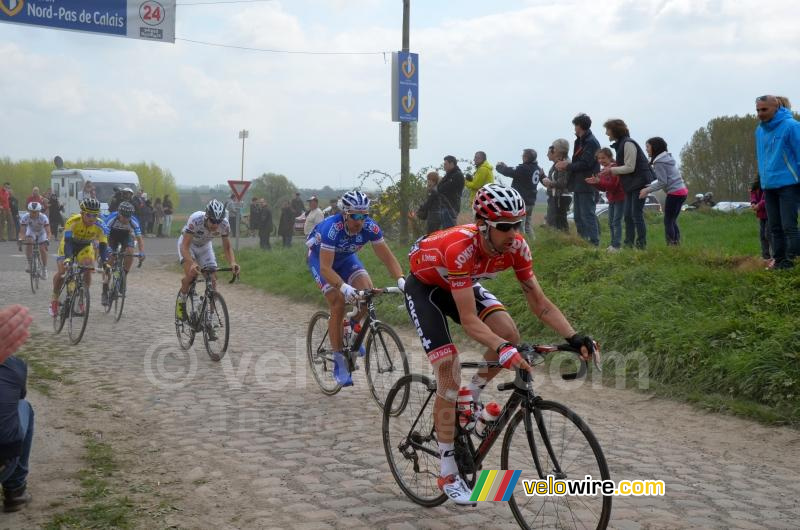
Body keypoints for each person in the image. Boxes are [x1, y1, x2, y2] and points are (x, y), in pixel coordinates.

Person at [402, 183, 598, 505]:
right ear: (483, 225)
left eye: (517, 225)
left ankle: (472, 393)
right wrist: (503, 350)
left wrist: (573, 337)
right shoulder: (462, 248)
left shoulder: (517, 248)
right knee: (448, 371)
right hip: (426, 289)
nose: (513, 233)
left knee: (510, 333)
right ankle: (448, 470)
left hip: (461, 283)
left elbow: (540, 303)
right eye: (504, 227)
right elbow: (468, 320)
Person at [306, 190, 405, 387]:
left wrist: (401, 279)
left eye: (364, 216)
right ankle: (339, 364)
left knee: (367, 293)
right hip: (321, 260)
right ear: (345, 214)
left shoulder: (370, 228)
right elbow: (326, 268)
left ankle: (351, 327)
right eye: (355, 216)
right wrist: (343, 287)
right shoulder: (332, 229)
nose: (360, 221)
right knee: (338, 302)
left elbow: (387, 257)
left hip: (345, 259)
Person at [175, 199, 240, 335]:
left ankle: (210, 318)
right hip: (188, 245)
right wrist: (192, 263)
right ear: (206, 217)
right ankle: (181, 302)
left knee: (213, 279)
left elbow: (227, 247)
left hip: (205, 247)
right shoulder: (195, 219)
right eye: (212, 221)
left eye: (218, 221)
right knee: (192, 274)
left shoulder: (224, 225)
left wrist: (233, 262)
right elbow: (185, 246)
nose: (215, 225)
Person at [755, 95, 800, 270]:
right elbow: (762, 158)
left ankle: (792, 262)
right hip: (769, 185)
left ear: (776, 107)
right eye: (758, 110)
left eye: (764, 109)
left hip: (789, 184)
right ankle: (780, 261)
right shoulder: (759, 131)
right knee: (774, 227)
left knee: (789, 226)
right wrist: (762, 181)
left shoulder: (792, 126)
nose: (760, 113)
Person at [0, 305, 34, 512]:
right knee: (23, 407)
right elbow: (18, 397)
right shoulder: (14, 365)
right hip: (3, 462)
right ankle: (15, 490)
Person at [49, 198, 108, 317]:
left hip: (85, 246)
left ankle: (82, 297)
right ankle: (54, 300)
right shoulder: (73, 221)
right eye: (88, 215)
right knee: (62, 271)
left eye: (95, 215)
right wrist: (68, 258)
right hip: (69, 244)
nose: (92, 218)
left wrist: (105, 262)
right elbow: (68, 242)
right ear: (82, 213)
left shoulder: (100, 224)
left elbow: (103, 245)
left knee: (88, 267)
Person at [604, 119, 653, 250]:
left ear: (615, 130)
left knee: (635, 215)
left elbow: (630, 167)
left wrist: (612, 170)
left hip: (639, 183)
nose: (606, 133)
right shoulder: (622, 144)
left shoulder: (628, 144)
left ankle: (641, 246)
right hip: (631, 184)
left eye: (607, 130)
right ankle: (628, 245)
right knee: (627, 215)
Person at [556, 114, 601, 246]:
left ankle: (594, 244)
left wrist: (567, 166)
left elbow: (586, 163)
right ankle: (583, 242)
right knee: (578, 216)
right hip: (579, 184)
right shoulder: (580, 141)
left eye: (575, 125)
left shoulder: (591, 142)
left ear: (579, 126)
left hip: (588, 184)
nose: (574, 129)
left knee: (587, 215)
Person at [641, 137, 688, 246]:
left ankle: (671, 246)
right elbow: (665, 180)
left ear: (655, 147)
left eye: (648, 147)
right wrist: (650, 186)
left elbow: (663, 182)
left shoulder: (659, 162)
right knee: (672, 220)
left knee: (668, 221)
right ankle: (677, 244)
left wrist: (647, 190)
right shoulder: (667, 158)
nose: (646, 149)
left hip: (675, 193)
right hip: (682, 191)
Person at [100, 202, 145, 306]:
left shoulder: (133, 221)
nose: (126, 219)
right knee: (110, 261)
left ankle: (123, 277)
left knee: (130, 252)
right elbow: (104, 237)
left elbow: (139, 239)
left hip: (126, 236)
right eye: (124, 217)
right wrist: (108, 249)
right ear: (119, 214)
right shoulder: (112, 218)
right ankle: (104, 290)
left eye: (128, 217)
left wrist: (142, 252)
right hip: (112, 236)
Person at [585, 148, 624, 251]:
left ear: (610, 157)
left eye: (603, 158)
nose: (601, 160)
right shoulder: (604, 170)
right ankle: (613, 244)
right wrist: (595, 183)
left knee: (616, 222)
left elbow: (612, 186)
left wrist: (598, 181)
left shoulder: (614, 168)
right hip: (611, 199)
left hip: (620, 198)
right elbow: (604, 187)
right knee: (611, 222)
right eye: (599, 158)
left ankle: (617, 245)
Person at [496, 149, 541, 238]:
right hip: (531, 201)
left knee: (520, 226)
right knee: (528, 226)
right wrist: (507, 167)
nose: (522, 158)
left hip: (522, 201)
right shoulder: (536, 168)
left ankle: (522, 245)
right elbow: (516, 171)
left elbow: (509, 172)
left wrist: (499, 167)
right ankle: (534, 243)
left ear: (526, 157)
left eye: (523, 156)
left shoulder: (524, 168)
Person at [541, 139, 573, 232]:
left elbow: (562, 183)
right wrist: (543, 177)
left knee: (558, 222)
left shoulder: (563, 163)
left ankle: (563, 241)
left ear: (558, 150)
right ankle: (560, 241)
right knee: (555, 222)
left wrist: (549, 183)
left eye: (554, 149)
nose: (548, 154)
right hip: (558, 196)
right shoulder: (558, 163)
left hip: (561, 196)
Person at [17, 202, 51, 278]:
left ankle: (44, 269)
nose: (33, 213)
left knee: (42, 248)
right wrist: (20, 239)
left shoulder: (44, 217)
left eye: (35, 212)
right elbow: (22, 232)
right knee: (29, 241)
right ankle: (29, 263)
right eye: (31, 211)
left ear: (39, 211)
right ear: (29, 211)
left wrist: (47, 240)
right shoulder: (25, 217)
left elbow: (48, 232)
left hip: (42, 232)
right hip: (31, 231)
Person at [437, 156, 465, 229]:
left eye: (445, 164)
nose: (444, 166)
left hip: (451, 207)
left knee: (449, 230)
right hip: (445, 206)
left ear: (452, 163)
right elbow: (439, 187)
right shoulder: (449, 175)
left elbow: (442, 188)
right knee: (446, 230)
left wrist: (441, 184)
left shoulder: (457, 175)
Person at [750, 177, 773, 267]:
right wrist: (753, 203)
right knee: (762, 235)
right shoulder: (756, 184)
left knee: (769, 234)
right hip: (761, 214)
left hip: (770, 213)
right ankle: (765, 257)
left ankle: (775, 256)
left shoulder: (769, 183)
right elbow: (753, 193)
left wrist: (759, 205)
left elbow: (767, 198)